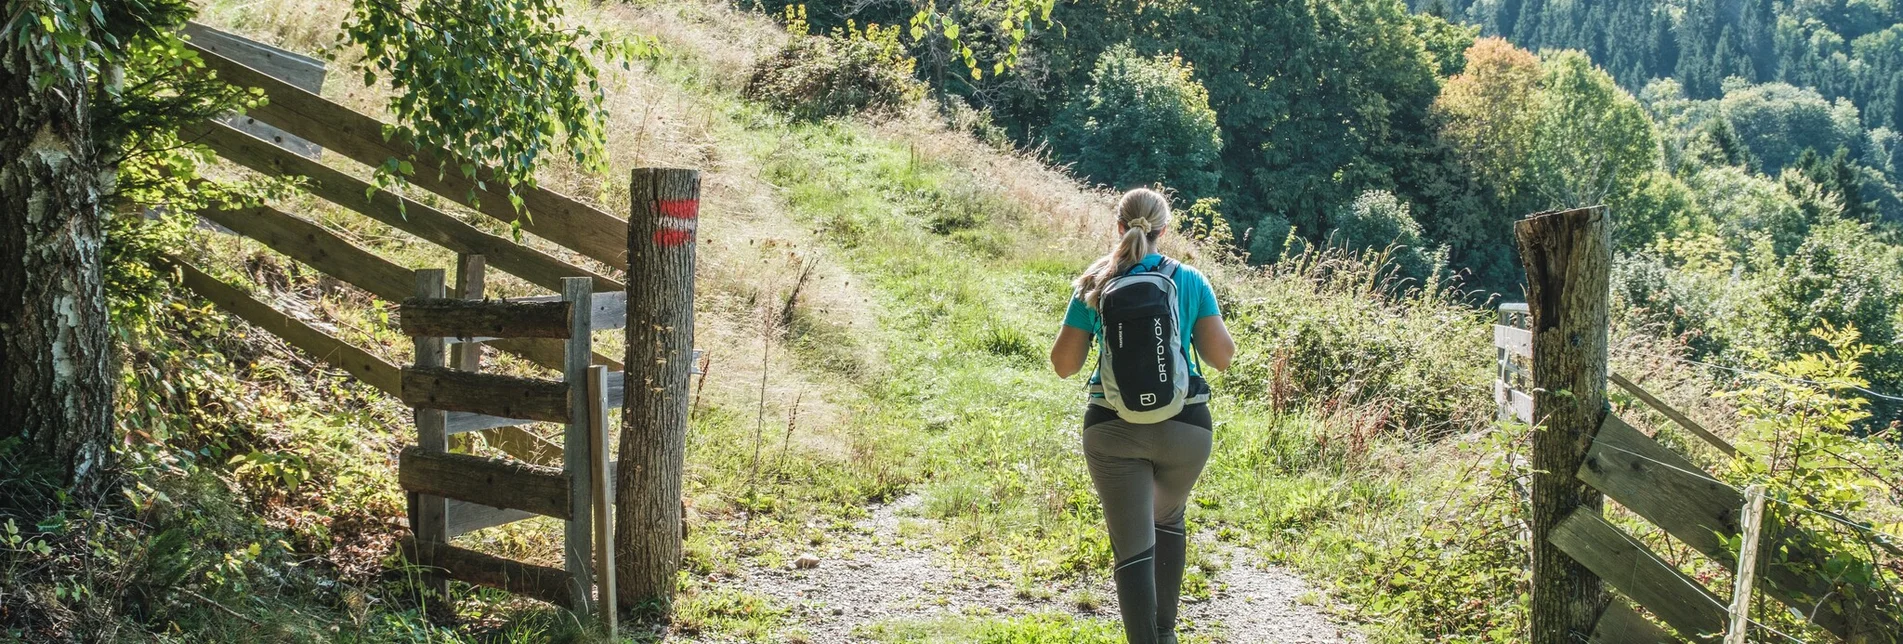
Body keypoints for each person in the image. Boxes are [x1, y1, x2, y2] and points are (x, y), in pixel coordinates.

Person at [1049, 188, 1235, 644]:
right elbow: (1221, 357)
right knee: (1167, 518)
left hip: (1112, 429)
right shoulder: (1190, 279)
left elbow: (1064, 365)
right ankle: (1164, 635)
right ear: (1164, 231)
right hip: (1185, 430)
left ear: (1119, 227)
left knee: (1132, 545)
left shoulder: (1097, 279)